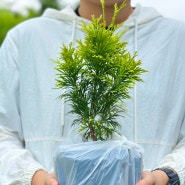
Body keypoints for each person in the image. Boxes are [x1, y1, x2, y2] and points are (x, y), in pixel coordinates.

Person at [0, 0, 185, 184]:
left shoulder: (177, 40)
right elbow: (3, 134)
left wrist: (165, 177)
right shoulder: (25, 39)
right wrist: (37, 178)